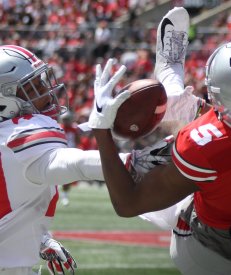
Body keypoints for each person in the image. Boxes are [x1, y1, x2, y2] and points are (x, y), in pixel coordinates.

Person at [86, 7, 231, 275]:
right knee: (226, 145)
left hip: (208, 250)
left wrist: (101, 130)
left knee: (178, 161)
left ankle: (169, 106)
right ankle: (176, 98)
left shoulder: (201, 142)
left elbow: (128, 204)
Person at [0, 45, 164, 275]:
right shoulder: (17, 135)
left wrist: (38, 239)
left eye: (42, 82)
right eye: (34, 87)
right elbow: (71, 163)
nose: (47, 93)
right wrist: (133, 161)